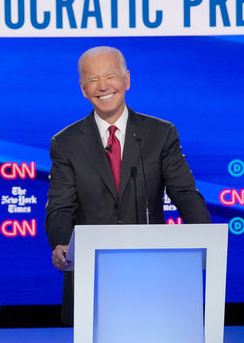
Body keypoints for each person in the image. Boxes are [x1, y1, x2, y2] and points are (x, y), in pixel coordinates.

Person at [45, 46, 211, 324]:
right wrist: (62, 243)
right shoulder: (65, 143)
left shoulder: (160, 134)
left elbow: (184, 193)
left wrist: (207, 240)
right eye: (93, 80)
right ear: (83, 89)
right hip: (91, 275)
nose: (103, 86)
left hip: (153, 273)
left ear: (127, 80)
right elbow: (60, 207)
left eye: (110, 76)